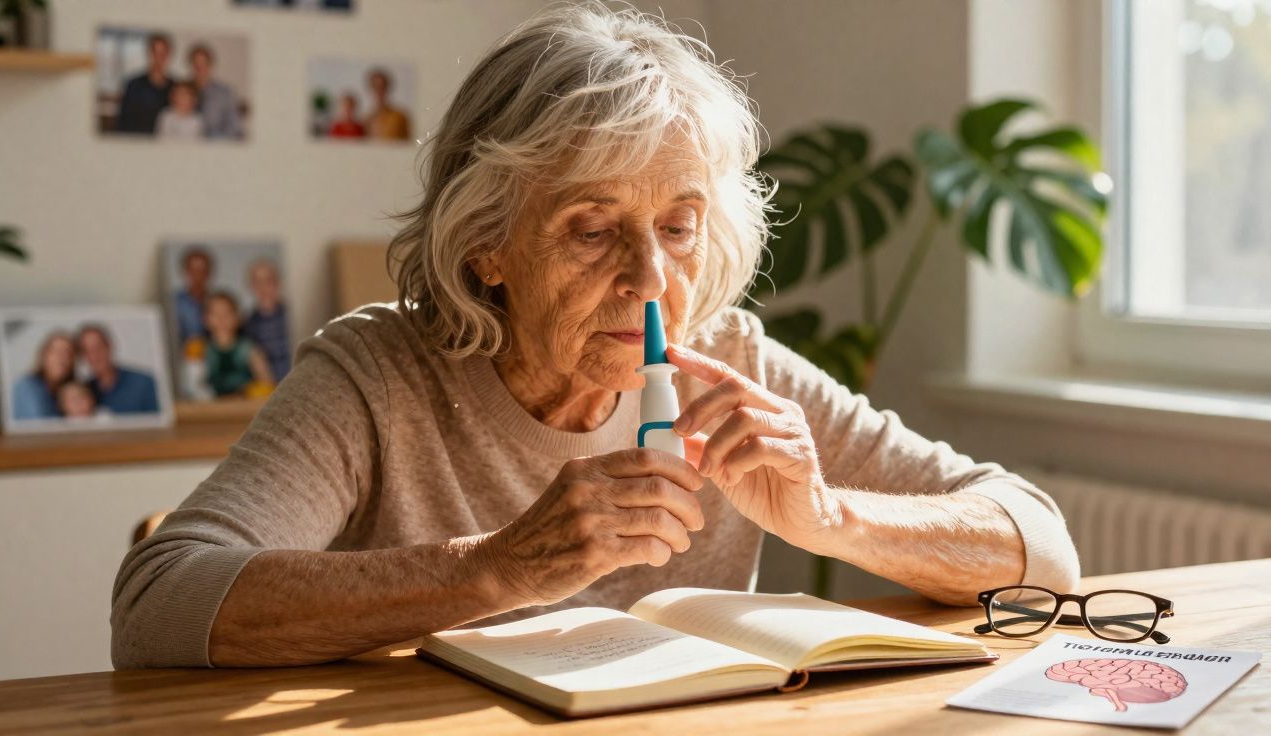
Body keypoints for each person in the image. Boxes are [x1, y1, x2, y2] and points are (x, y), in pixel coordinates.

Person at [112, 3, 1079, 670]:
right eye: (590, 228)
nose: (653, 277)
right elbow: (160, 603)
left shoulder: (725, 357)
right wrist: (495, 566)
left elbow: (1041, 548)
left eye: (679, 223)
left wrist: (832, 519)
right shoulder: (377, 375)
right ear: (487, 241)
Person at [201, 291, 275, 397]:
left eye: (227, 313)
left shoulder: (250, 349)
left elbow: (268, 384)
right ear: (206, 319)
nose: (221, 319)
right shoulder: (202, 351)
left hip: (244, 408)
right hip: (212, 409)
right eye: (215, 314)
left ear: (237, 317)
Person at [77, 324, 159, 414]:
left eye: (98, 348)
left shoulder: (143, 384)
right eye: (87, 351)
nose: (94, 356)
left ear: (109, 346)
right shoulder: (83, 390)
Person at [242, 259, 292, 382]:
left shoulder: (291, 316)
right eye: (257, 282)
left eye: (268, 281)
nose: (262, 287)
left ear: (278, 282)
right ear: (250, 286)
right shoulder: (247, 325)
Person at [114, 33, 174, 135]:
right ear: (148, 53)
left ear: (169, 55)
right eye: (155, 53)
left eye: (163, 54)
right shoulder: (133, 84)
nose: (159, 58)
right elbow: (123, 121)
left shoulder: (176, 87)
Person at [10, 331, 75, 420]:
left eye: (68, 354)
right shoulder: (26, 387)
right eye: (57, 352)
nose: (62, 359)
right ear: (44, 356)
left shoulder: (66, 392)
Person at [189, 43, 244, 140]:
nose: (199, 68)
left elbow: (234, 127)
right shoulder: (182, 91)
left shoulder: (225, 93)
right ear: (191, 65)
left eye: (203, 64)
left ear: (210, 65)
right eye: (196, 64)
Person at [174, 246, 213, 346]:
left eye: (202, 271)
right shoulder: (174, 303)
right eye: (193, 271)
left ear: (209, 273)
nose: (198, 276)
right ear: (185, 272)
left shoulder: (217, 301)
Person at [364, 67, 410, 141]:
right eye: (375, 87)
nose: (379, 91)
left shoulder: (400, 117)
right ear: (370, 89)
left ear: (388, 88)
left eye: (382, 87)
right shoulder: (365, 120)